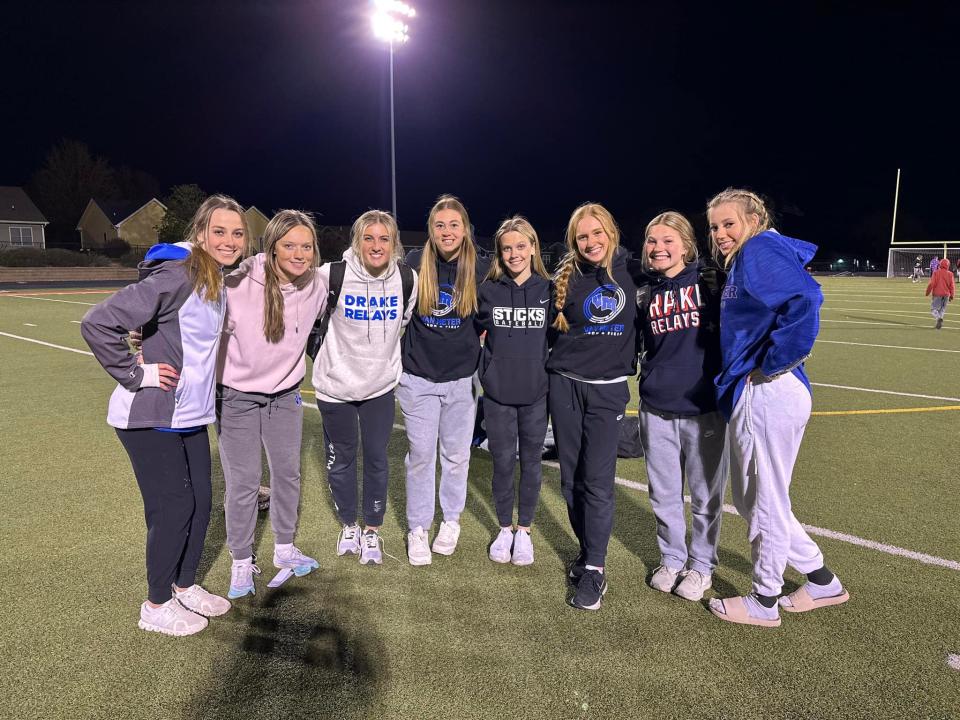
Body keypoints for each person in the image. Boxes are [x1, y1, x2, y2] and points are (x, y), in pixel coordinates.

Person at [81, 194, 246, 636]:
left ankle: (184, 585)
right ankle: (155, 606)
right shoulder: (179, 273)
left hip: (190, 416)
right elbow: (98, 322)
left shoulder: (215, 279)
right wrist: (136, 373)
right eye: (219, 231)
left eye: (237, 233)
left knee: (201, 503)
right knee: (172, 509)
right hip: (150, 416)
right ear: (200, 233)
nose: (229, 241)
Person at [705, 188, 849, 628]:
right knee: (756, 501)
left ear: (754, 219)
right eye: (714, 226)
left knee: (765, 500)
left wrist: (773, 361)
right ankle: (822, 580)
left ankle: (764, 599)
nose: (721, 233)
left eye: (729, 223)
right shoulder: (753, 253)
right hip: (767, 392)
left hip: (770, 390)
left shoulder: (760, 248)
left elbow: (806, 300)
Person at [217, 210, 327, 599]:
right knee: (244, 483)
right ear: (273, 248)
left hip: (285, 396)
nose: (300, 254)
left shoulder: (317, 284)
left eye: (307, 246)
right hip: (237, 397)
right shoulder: (238, 278)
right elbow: (186, 291)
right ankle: (241, 562)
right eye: (290, 245)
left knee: (287, 474)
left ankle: (284, 548)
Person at [548, 202, 638, 610]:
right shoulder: (565, 278)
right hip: (565, 386)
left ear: (611, 232)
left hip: (608, 393)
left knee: (598, 482)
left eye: (596, 233)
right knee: (571, 483)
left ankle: (597, 570)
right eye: (582, 236)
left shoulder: (633, 270)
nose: (591, 242)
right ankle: (586, 555)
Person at [634, 211, 727, 602]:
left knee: (706, 496)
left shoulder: (711, 283)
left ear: (687, 245)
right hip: (656, 405)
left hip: (703, 406)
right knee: (664, 494)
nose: (659, 248)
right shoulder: (644, 291)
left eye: (668, 240)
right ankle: (672, 558)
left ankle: (702, 565)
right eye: (653, 241)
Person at [314, 210, 417, 565]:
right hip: (335, 388)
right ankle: (348, 524)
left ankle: (371, 529)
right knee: (341, 459)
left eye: (384, 239)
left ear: (394, 243)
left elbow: (402, 322)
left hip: (379, 388)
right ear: (357, 242)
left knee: (376, 458)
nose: (376, 245)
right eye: (368, 238)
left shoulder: (408, 279)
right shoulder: (331, 275)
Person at [398, 195, 489, 565]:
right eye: (440, 225)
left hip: (461, 381)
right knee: (420, 456)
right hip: (417, 378)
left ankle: (450, 520)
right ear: (431, 230)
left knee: (456, 456)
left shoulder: (481, 269)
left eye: (454, 224)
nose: (447, 231)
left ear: (465, 228)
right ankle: (418, 526)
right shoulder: (413, 264)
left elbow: (485, 321)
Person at [474, 216, 551, 565]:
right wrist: (486, 373)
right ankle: (505, 527)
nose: (514, 254)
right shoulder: (488, 290)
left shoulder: (549, 290)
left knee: (531, 464)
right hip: (498, 394)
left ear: (533, 247)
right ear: (499, 253)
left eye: (521, 246)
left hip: (536, 393)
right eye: (507, 248)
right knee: (503, 462)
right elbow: (473, 333)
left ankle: (525, 531)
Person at [925, 257, 955, 330]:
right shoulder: (950, 274)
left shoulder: (936, 272)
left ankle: (938, 319)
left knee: (933, 309)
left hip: (937, 294)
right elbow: (952, 286)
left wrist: (927, 292)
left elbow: (931, 284)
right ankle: (939, 320)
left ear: (940, 264)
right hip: (946, 295)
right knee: (942, 309)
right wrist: (952, 295)